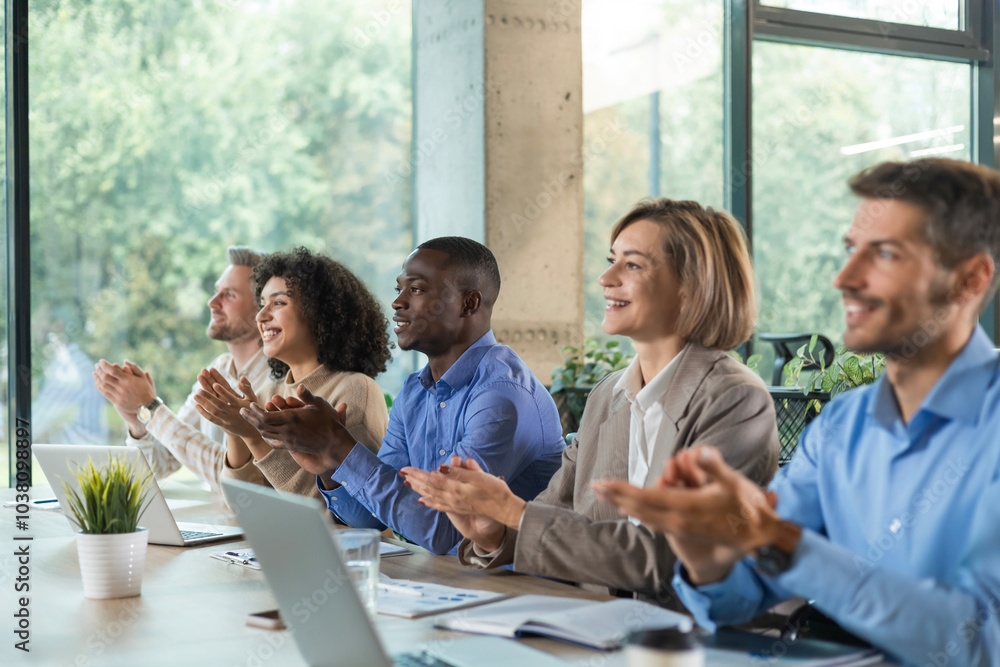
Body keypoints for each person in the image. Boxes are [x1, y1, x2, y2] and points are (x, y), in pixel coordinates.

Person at [594, 158, 1000, 665]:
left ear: (970, 279)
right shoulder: (842, 427)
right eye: (851, 250)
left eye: (886, 254)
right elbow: (743, 592)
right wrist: (706, 553)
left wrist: (777, 539)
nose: (845, 278)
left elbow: (981, 643)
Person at [400, 200, 780, 604]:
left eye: (632, 265)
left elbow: (670, 557)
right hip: (595, 626)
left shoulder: (735, 399)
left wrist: (512, 512)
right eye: (612, 261)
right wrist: (493, 531)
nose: (605, 278)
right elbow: (557, 515)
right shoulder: (607, 395)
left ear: (691, 287)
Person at [239, 236, 566, 555]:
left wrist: (339, 445)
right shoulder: (414, 391)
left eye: (417, 289)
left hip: (512, 584)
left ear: (469, 304)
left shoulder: (501, 396)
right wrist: (328, 463)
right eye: (399, 290)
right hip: (445, 579)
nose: (397, 303)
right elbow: (369, 520)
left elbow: (441, 531)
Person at [194, 247, 391, 499]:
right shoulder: (268, 393)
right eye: (262, 304)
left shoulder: (356, 390)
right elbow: (243, 504)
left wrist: (253, 437)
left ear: (319, 312)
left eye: (278, 303)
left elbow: (332, 507)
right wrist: (235, 433)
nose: (261, 316)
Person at [93, 246, 270, 492]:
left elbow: (236, 477)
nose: (212, 302)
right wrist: (138, 422)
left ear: (262, 310)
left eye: (229, 295)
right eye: (217, 291)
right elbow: (163, 462)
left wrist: (151, 407)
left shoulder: (278, 379)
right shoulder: (218, 369)